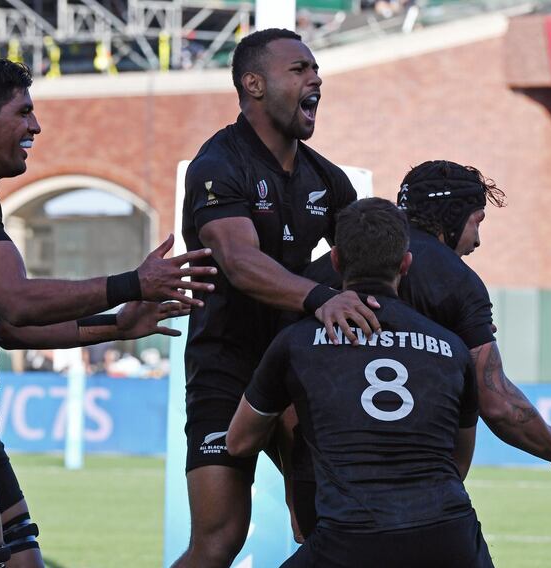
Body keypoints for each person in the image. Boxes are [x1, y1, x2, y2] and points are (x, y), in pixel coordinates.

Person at [0, 57, 216, 568]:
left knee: (23, 560)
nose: (36, 126)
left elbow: (8, 328)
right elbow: (18, 299)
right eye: (25, 112)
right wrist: (133, 282)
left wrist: (119, 325)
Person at [293, 160, 551, 538]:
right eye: (477, 222)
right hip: (419, 503)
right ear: (452, 216)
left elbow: (279, 393)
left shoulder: (316, 277)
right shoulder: (457, 280)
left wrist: (299, 483)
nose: (478, 240)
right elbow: (497, 402)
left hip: (328, 491)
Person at [176, 28, 381, 567]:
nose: (316, 80)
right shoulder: (217, 165)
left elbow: (369, 263)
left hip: (299, 367)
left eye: (316, 71)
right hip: (226, 365)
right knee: (219, 541)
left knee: (323, 528)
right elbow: (240, 263)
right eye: (299, 70)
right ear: (254, 84)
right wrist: (320, 297)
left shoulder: (326, 177)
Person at [227, 197, 493, 567]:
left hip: (349, 540)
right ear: (405, 263)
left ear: (335, 262)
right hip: (449, 538)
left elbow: (238, 442)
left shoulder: (296, 343)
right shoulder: (452, 348)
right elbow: (458, 463)